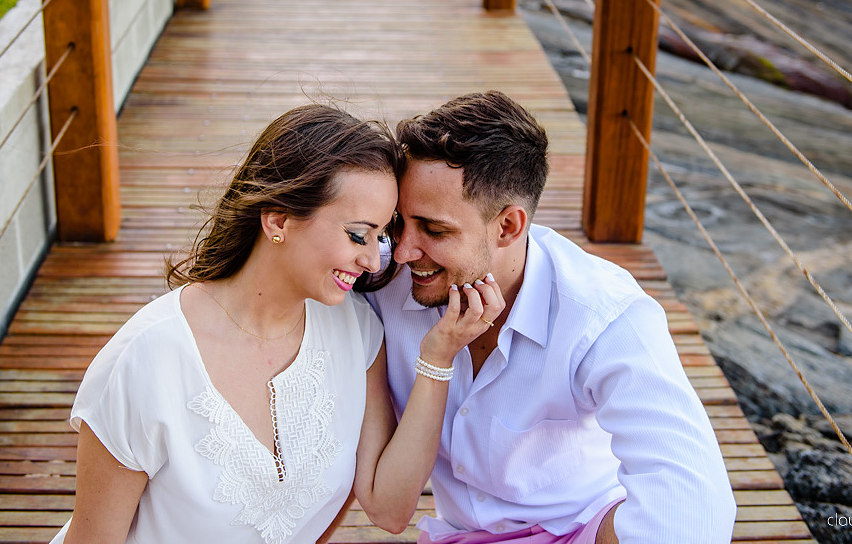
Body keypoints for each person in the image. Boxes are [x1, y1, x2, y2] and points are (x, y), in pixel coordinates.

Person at [50, 104, 505, 544]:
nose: (373, 261)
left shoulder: (357, 331)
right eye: (357, 234)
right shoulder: (144, 361)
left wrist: (437, 358)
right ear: (278, 219)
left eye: (381, 235)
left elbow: (389, 507)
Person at [366, 91, 737, 544]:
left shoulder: (604, 315)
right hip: (458, 535)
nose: (402, 251)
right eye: (397, 223)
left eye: (434, 229)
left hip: (582, 529)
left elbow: (696, 506)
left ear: (508, 227)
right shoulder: (377, 280)